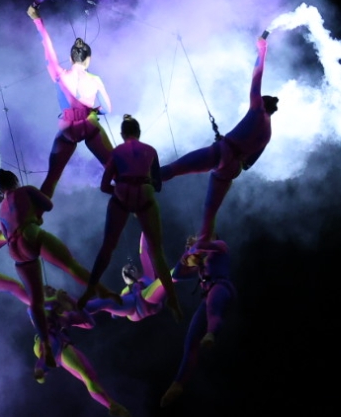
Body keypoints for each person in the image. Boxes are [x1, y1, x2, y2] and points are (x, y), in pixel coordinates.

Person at [159, 29, 279, 241]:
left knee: (175, 168)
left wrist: (262, 50)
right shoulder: (267, 134)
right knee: (209, 213)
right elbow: (249, 163)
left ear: (263, 102)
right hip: (232, 169)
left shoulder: (257, 107)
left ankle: (141, 180)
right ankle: (203, 244)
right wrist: (233, 145)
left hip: (222, 153)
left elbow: (257, 75)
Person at [0, 168, 108, 379]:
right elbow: (48, 205)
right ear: (15, 180)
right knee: (70, 266)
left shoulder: (1, 211)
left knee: (35, 302)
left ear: (1, 189)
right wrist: (35, 216)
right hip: (29, 233)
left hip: (14, 249)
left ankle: (45, 345)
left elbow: (4, 232)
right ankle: (102, 290)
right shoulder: (25, 190)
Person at [80, 116, 183, 320]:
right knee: (157, 252)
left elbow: (104, 186)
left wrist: (120, 193)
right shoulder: (150, 150)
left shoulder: (117, 152)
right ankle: (173, 299)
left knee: (108, 247)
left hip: (122, 196)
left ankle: (90, 289)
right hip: (145, 196)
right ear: (139, 132)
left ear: (122, 134)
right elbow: (158, 185)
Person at [28, 3, 113, 198]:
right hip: (90, 127)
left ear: (70, 58)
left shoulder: (59, 75)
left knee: (51, 179)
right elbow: (108, 109)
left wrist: (37, 20)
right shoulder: (95, 80)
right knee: (114, 170)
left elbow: (48, 51)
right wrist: (95, 110)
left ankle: (32, 214)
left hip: (67, 129)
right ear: (88, 59)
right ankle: (134, 205)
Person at [29, 285, 131, 417]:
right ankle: (41, 369)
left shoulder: (66, 316)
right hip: (46, 342)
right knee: (53, 343)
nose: (52, 290)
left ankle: (111, 404)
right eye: (47, 290)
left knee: (88, 375)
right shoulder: (40, 308)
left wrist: (73, 303)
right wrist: (58, 299)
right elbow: (35, 308)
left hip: (62, 347)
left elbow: (89, 323)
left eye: (53, 289)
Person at [161, 235, 237, 408]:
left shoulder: (220, 246)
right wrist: (187, 253)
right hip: (208, 295)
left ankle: (211, 333)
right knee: (191, 340)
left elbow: (205, 245)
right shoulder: (201, 264)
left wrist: (194, 247)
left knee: (212, 309)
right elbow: (178, 274)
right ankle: (178, 383)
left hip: (222, 288)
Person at [83, 232, 167, 321]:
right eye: (126, 271)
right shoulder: (126, 291)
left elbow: (143, 250)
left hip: (148, 299)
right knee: (106, 301)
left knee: (167, 279)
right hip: (134, 307)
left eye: (130, 269)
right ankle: (77, 309)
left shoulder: (147, 277)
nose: (128, 270)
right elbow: (115, 306)